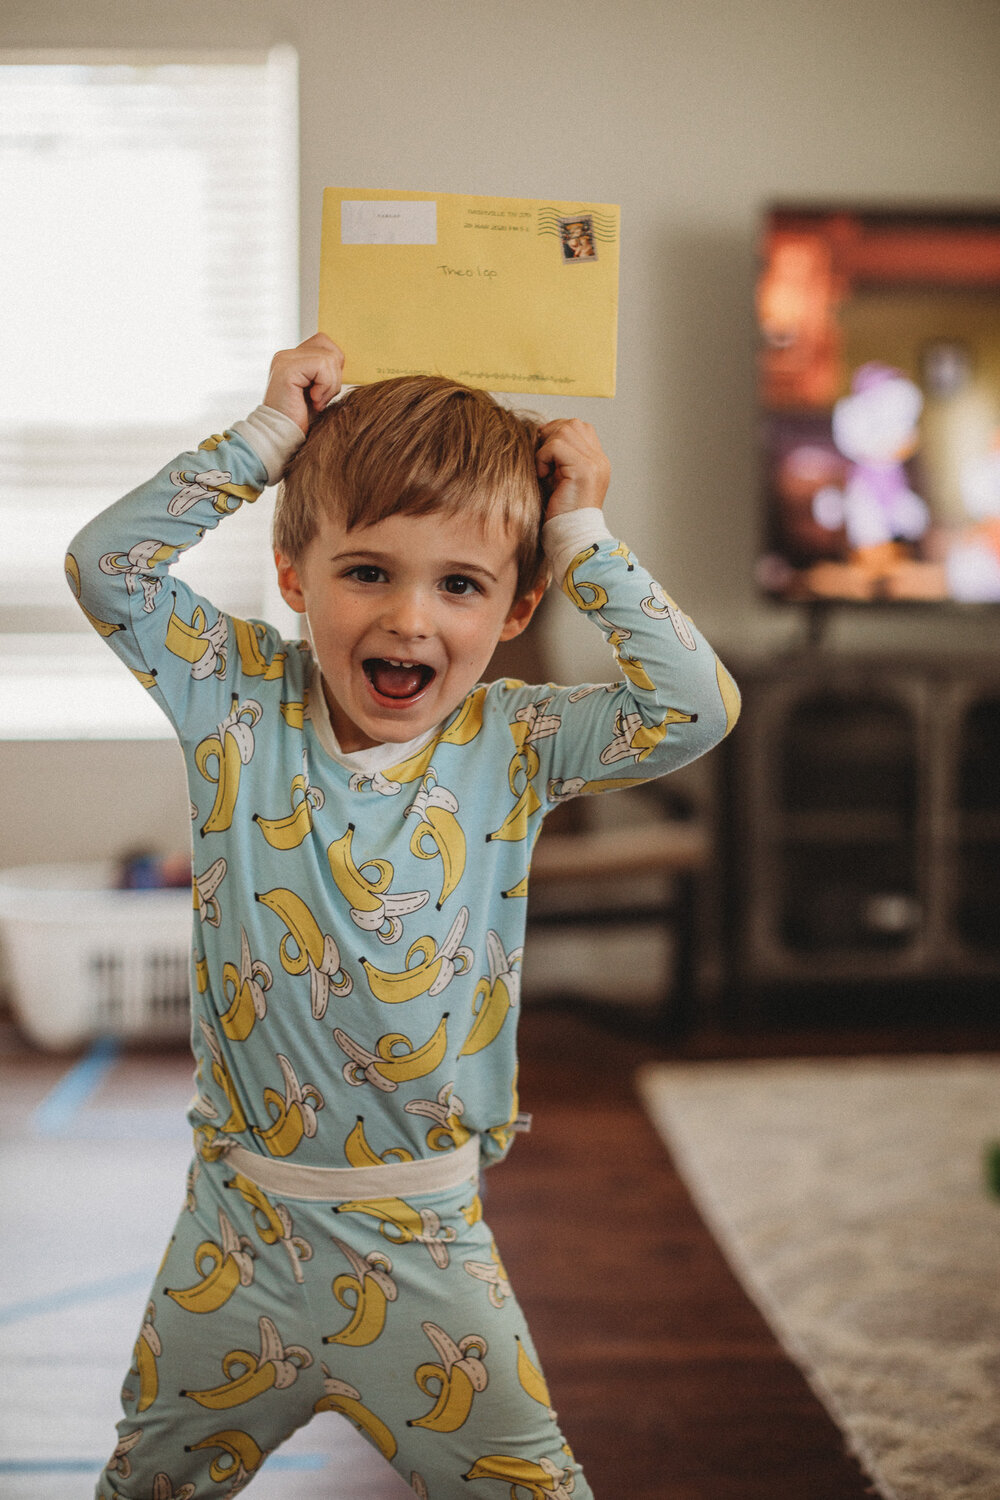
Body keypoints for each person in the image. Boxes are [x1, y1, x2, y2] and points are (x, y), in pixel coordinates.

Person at [68, 332, 740, 1499]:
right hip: (236, 1235)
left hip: (428, 1248)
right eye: (367, 572)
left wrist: (580, 532)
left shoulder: (519, 741)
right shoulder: (235, 698)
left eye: (460, 585)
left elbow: (696, 708)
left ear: (517, 604)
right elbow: (104, 565)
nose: (410, 621)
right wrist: (267, 438)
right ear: (294, 573)